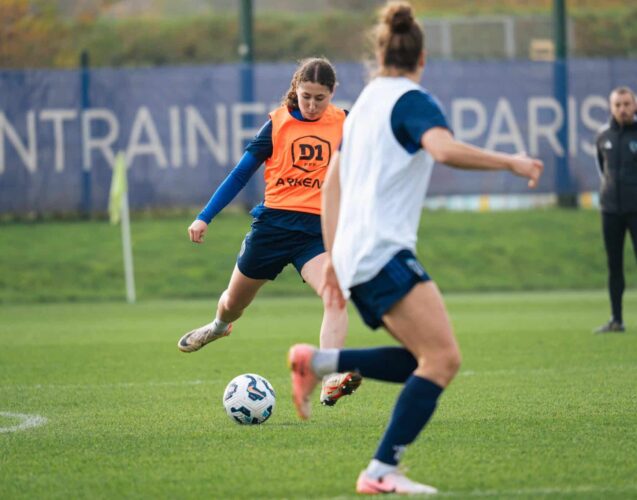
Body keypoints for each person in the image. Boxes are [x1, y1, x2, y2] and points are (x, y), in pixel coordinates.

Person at [287, 1, 544, 495]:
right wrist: (510, 163)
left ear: (379, 56)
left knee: (420, 359)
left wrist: (335, 257)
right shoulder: (411, 100)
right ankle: (381, 470)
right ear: (422, 59)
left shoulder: (361, 109)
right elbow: (444, 149)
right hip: (383, 252)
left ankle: (320, 363)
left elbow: (330, 186)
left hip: (358, 255)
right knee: (444, 360)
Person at [178, 57, 361, 406]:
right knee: (233, 304)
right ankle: (218, 327)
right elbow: (240, 174)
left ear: (333, 94)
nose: (311, 105)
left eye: (320, 98)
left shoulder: (345, 124)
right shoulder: (277, 126)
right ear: (296, 89)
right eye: (306, 96)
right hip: (272, 227)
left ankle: (331, 374)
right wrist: (204, 217)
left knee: (335, 294)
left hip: (315, 233)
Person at [593, 86, 637, 334]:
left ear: (635, 106)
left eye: (626, 104)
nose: (622, 109)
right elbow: (603, 170)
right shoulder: (603, 136)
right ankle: (616, 319)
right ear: (611, 107)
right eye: (618, 105)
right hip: (611, 210)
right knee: (614, 265)